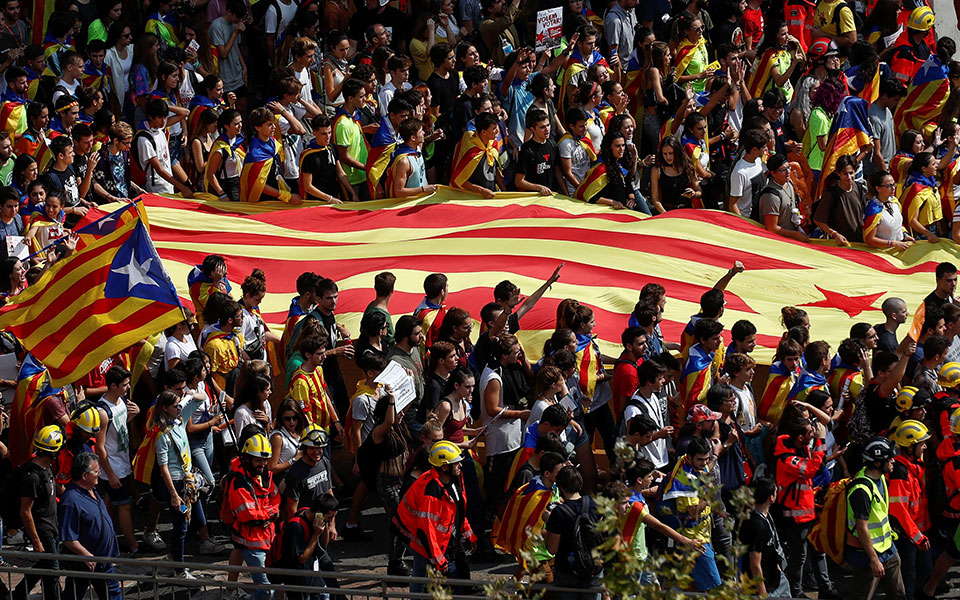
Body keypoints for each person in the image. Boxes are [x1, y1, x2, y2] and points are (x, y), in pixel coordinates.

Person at [395, 440, 476, 593]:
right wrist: (439, 560)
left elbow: (456, 512)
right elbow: (427, 530)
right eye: (457, 463)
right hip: (422, 542)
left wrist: (469, 534)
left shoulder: (450, 482)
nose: (460, 465)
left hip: (433, 543)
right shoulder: (432, 492)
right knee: (429, 577)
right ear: (445, 467)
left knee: (423, 574)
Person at [220, 433, 280, 600]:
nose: (263, 464)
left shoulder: (264, 475)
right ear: (247, 459)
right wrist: (270, 514)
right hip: (252, 542)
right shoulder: (238, 482)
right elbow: (248, 515)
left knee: (270, 584)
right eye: (258, 460)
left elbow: (275, 497)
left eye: (265, 460)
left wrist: (271, 513)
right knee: (266, 590)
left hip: (267, 537)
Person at [846, 437, 906, 600]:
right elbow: (862, 526)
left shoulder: (880, 479)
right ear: (878, 463)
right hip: (867, 555)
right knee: (862, 596)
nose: (893, 461)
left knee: (898, 595)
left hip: (888, 549)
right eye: (889, 459)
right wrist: (874, 560)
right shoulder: (861, 490)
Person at [658, 436, 720, 592]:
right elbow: (695, 511)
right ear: (690, 456)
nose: (705, 463)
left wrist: (717, 455)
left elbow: (707, 469)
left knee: (691, 585)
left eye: (707, 459)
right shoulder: (685, 478)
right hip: (695, 539)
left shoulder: (696, 465)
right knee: (714, 587)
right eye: (700, 459)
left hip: (703, 532)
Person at [59, 452, 122, 600]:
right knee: (74, 594)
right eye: (96, 471)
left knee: (112, 593)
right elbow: (68, 537)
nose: (99, 474)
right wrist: (85, 555)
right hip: (85, 562)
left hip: (101, 560)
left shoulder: (91, 490)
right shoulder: (71, 500)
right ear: (84, 475)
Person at [92, 366, 140, 555]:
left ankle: (103, 537)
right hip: (114, 467)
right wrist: (110, 474)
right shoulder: (103, 411)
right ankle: (133, 545)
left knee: (110, 501)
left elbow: (119, 427)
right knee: (125, 506)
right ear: (113, 386)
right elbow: (99, 446)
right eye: (124, 385)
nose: (128, 387)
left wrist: (132, 415)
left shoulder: (121, 401)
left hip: (123, 461)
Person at [12, 425, 63, 600]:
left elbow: (53, 490)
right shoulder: (31, 477)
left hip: (52, 528)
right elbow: (25, 511)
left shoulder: (46, 467)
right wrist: (36, 541)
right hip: (44, 532)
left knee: (45, 566)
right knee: (53, 572)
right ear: (53, 452)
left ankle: (18, 595)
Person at [888, 420, 932, 599]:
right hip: (909, 536)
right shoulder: (900, 472)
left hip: (917, 533)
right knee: (909, 575)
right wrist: (917, 537)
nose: (925, 447)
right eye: (922, 444)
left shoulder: (913, 467)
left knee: (925, 569)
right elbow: (898, 510)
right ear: (909, 447)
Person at [544, 465, 602, 596]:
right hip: (592, 567)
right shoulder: (595, 504)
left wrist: (549, 520)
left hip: (567, 571)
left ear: (560, 487)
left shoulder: (558, 513)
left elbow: (552, 548)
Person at [271, 493, 340, 600]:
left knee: (324, 595)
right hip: (300, 582)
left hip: (314, 577)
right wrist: (316, 534)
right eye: (330, 517)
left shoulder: (315, 519)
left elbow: (323, 545)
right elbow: (302, 558)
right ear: (318, 513)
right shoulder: (296, 527)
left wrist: (325, 525)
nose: (331, 521)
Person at [739, 477, 790, 598]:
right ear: (771, 498)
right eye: (776, 492)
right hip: (765, 586)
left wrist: (778, 568)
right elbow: (755, 565)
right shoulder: (756, 525)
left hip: (776, 578)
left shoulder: (766, 516)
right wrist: (762, 593)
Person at [279, 424, 335, 520]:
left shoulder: (324, 462)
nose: (317, 452)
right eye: (312, 448)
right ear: (305, 448)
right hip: (306, 521)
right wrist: (298, 529)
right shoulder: (295, 473)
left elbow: (329, 492)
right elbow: (292, 508)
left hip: (323, 518)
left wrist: (332, 524)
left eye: (320, 448)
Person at [514, 109, 560, 195]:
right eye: (542, 127)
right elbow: (519, 181)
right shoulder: (527, 150)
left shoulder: (552, 144)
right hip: (534, 200)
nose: (547, 129)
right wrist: (539, 188)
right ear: (533, 129)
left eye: (548, 125)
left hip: (552, 196)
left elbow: (557, 173)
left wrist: (565, 193)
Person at [727, 128, 768, 218]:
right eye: (763, 148)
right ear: (754, 150)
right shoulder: (740, 173)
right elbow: (733, 205)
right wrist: (744, 224)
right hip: (749, 218)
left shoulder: (758, 161)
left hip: (761, 214)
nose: (765, 150)